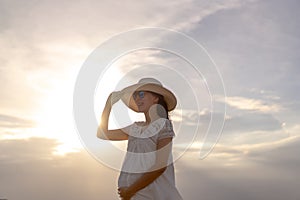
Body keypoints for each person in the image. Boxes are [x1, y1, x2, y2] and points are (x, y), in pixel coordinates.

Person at [97, 77, 183, 200]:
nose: (137, 98)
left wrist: (131, 189)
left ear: (155, 98)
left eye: (141, 94)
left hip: (152, 194)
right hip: (134, 195)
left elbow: (160, 165)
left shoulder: (163, 125)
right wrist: (108, 105)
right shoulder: (135, 128)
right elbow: (102, 133)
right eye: (136, 95)